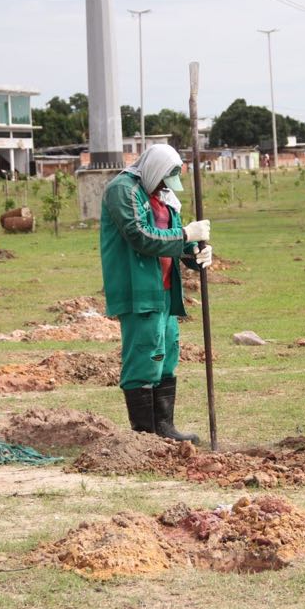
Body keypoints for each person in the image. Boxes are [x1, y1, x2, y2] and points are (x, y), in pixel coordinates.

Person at [100, 144, 212, 444]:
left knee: (167, 354)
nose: (166, 186)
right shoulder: (122, 190)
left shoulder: (163, 196)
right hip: (137, 288)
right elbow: (140, 236)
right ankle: (144, 436)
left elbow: (175, 238)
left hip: (164, 288)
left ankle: (164, 428)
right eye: (164, 180)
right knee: (143, 357)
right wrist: (186, 235)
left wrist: (194, 253)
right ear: (153, 170)